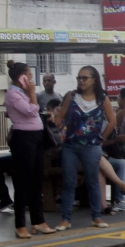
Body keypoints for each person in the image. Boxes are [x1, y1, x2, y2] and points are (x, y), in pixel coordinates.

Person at [53, 67, 115, 229]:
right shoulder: (72, 96)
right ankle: (66, 219)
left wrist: (101, 138)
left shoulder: (102, 99)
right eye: (79, 78)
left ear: (94, 80)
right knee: (69, 182)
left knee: (93, 181)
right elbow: (61, 117)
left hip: (92, 146)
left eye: (85, 78)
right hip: (70, 145)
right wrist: (55, 122)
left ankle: (96, 217)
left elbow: (112, 121)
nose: (81, 81)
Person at [3, 62, 55, 239]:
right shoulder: (13, 94)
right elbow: (31, 111)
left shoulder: (23, 93)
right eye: (29, 76)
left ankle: (38, 220)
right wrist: (32, 93)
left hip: (36, 136)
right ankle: (20, 225)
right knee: (23, 182)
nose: (32, 80)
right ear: (22, 77)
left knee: (36, 180)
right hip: (23, 138)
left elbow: (36, 113)